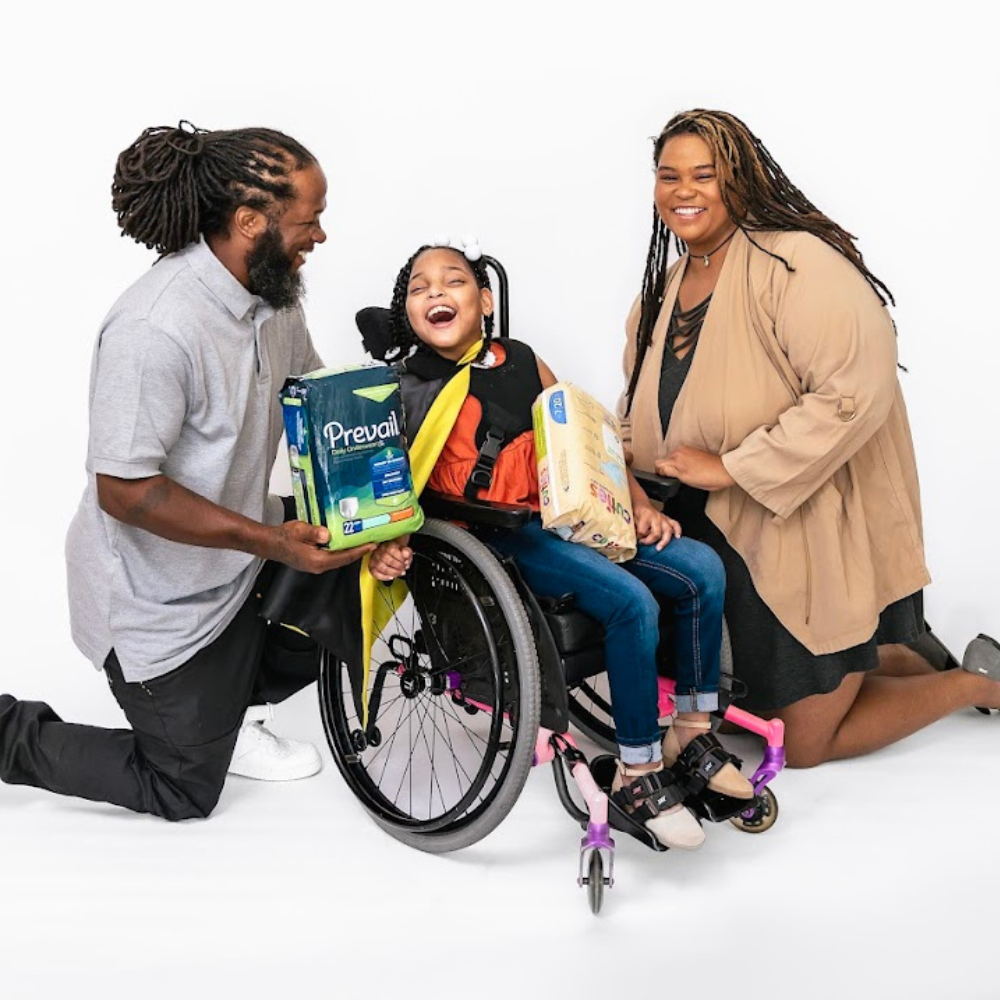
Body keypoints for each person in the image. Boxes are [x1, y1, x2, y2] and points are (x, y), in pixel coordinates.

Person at [0, 122, 373, 820]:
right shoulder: (155, 327)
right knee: (181, 788)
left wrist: (388, 425)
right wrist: (274, 542)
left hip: (240, 565)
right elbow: (125, 492)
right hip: (158, 604)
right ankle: (7, 732)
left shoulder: (275, 291)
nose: (319, 237)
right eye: (309, 221)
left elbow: (311, 393)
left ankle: (232, 713)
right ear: (249, 220)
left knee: (375, 558)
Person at [618, 108, 1000, 768]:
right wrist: (616, 469)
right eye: (669, 175)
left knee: (800, 746)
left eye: (705, 175)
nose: (684, 190)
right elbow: (637, 399)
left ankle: (973, 684)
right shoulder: (667, 284)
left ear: (741, 179)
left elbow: (860, 386)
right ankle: (900, 654)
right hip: (703, 526)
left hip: (797, 520)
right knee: (743, 708)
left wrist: (734, 466)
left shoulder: (794, 263)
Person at [368, 239, 755, 851]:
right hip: (491, 539)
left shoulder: (521, 359)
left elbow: (588, 438)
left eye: (453, 282)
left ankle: (691, 728)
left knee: (700, 568)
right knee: (632, 603)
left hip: (564, 515)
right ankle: (636, 769)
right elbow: (382, 489)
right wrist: (386, 546)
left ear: (484, 300)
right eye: (420, 288)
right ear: (407, 310)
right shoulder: (404, 387)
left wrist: (641, 506)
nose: (436, 293)